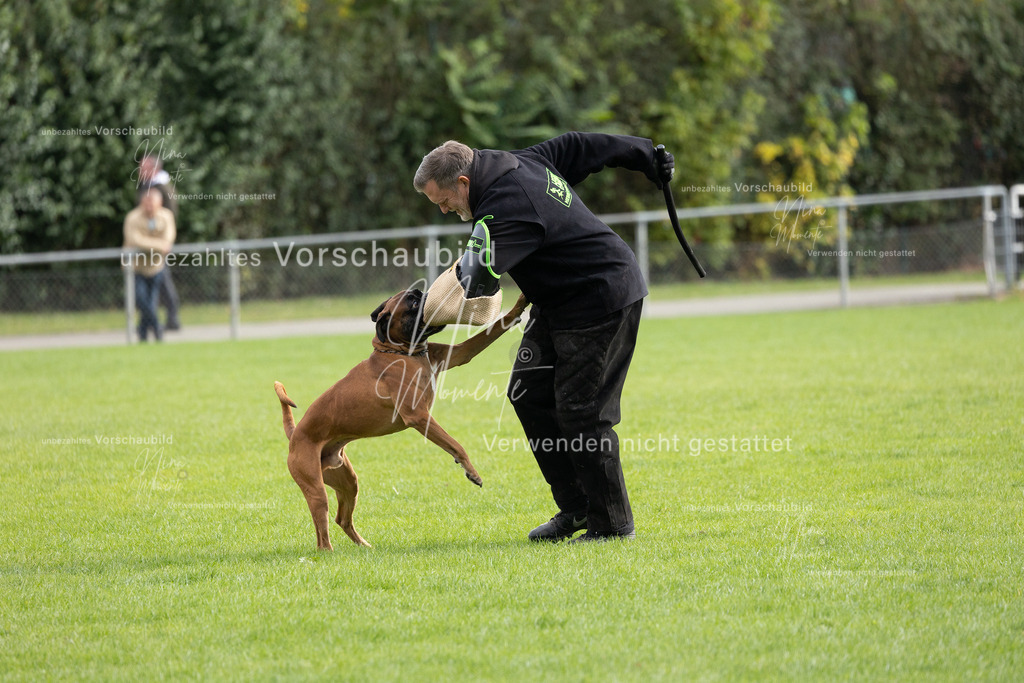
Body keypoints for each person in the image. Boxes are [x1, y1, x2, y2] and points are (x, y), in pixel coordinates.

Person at [414, 132, 674, 542]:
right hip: (558, 303)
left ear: (463, 183)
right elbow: (580, 144)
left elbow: (476, 283)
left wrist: (420, 322)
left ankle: (612, 525)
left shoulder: (507, 205)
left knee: (581, 411)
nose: (445, 209)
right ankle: (576, 509)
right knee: (528, 392)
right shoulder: (522, 160)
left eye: (443, 200)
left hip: (599, 297)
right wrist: (643, 153)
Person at [123, 188, 176, 342]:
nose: (149, 207)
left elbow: (169, 238)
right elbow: (135, 240)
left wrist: (155, 245)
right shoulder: (132, 218)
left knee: (151, 301)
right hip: (136, 267)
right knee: (141, 299)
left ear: (160, 203)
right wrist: (159, 245)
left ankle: (142, 333)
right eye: (146, 203)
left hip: (156, 266)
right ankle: (157, 326)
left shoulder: (166, 216)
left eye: (152, 203)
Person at [136, 154, 182, 331]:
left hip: (160, 244)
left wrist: (163, 240)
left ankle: (170, 318)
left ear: (153, 169)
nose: (140, 170)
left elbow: (169, 215)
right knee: (155, 281)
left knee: (162, 280)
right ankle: (151, 319)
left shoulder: (162, 187)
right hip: (147, 244)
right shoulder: (145, 185)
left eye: (144, 167)